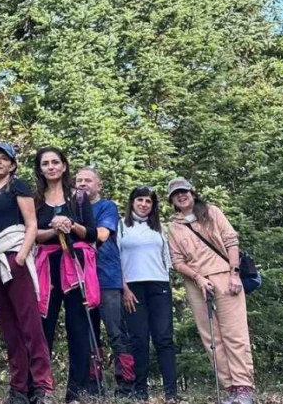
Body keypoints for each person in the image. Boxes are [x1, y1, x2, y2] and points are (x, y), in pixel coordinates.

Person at [167, 178, 255, 404]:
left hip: (225, 276)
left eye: (184, 191)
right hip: (196, 283)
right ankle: (231, 388)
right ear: (172, 200)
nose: (181, 196)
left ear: (192, 193)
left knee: (234, 333)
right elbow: (177, 260)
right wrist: (197, 277)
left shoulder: (212, 212)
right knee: (211, 337)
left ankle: (244, 386)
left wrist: (234, 274)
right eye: (176, 194)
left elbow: (231, 240)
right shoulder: (174, 226)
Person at [0, 143, 54, 404]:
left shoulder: (18, 186)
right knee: (9, 326)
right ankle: (19, 389)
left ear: (12, 165)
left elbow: (32, 223)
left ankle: (44, 386)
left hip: (15, 256)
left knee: (30, 324)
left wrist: (23, 255)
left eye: (4, 159)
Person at [32, 146, 98, 403]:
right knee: (43, 327)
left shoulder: (78, 197)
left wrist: (71, 225)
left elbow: (92, 234)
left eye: (55, 162)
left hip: (74, 264)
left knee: (78, 326)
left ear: (64, 165)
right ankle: (42, 389)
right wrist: (53, 227)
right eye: (45, 163)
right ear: (40, 169)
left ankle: (76, 393)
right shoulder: (35, 199)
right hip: (46, 265)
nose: (51, 167)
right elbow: (31, 233)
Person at [76, 167, 133, 393]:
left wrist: (76, 231)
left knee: (116, 331)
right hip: (79, 278)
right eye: (79, 180)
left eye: (87, 180)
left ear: (98, 186)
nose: (82, 184)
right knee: (89, 333)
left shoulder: (106, 206)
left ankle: (126, 384)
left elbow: (102, 234)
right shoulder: (71, 210)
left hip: (107, 277)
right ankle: (94, 384)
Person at [118, 186, 177, 402]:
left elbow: (167, 260)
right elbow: (116, 259)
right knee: (139, 339)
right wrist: (123, 288)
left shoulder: (160, 228)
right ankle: (140, 390)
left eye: (148, 201)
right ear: (132, 202)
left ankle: (171, 392)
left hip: (159, 285)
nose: (144, 204)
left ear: (153, 206)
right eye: (140, 200)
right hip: (132, 287)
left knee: (163, 338)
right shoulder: (121, 226)